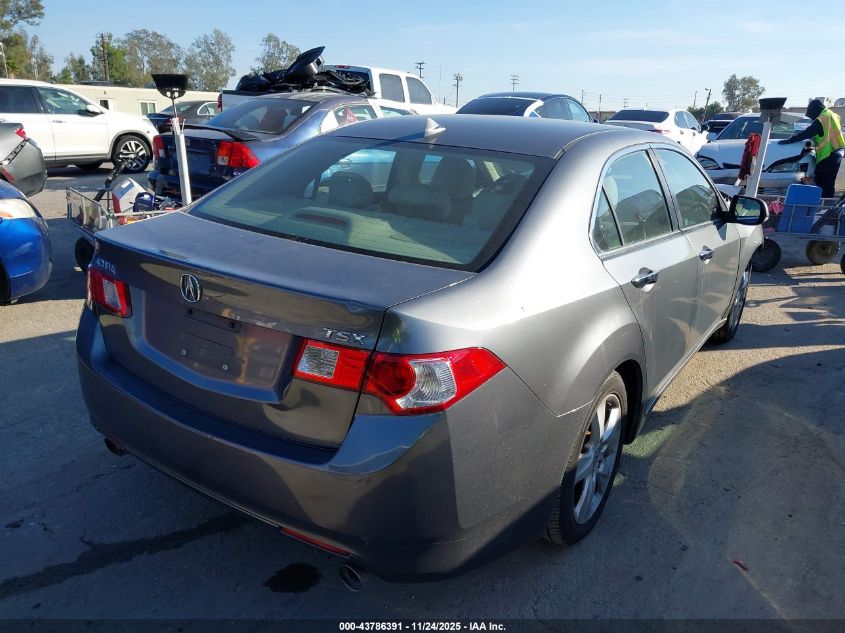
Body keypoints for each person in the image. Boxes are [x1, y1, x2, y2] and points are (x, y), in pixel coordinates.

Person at [778, 99, 844, 197]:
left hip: (828, 153)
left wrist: (789, 140)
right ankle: (826, 205)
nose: (813, 118)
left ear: (815, 110)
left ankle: (824, 206)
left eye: (812, 115)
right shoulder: (832, 114)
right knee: (829, 182)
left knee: (824, 182)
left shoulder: (823, 118)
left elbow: (808, 132)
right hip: (837, 151)